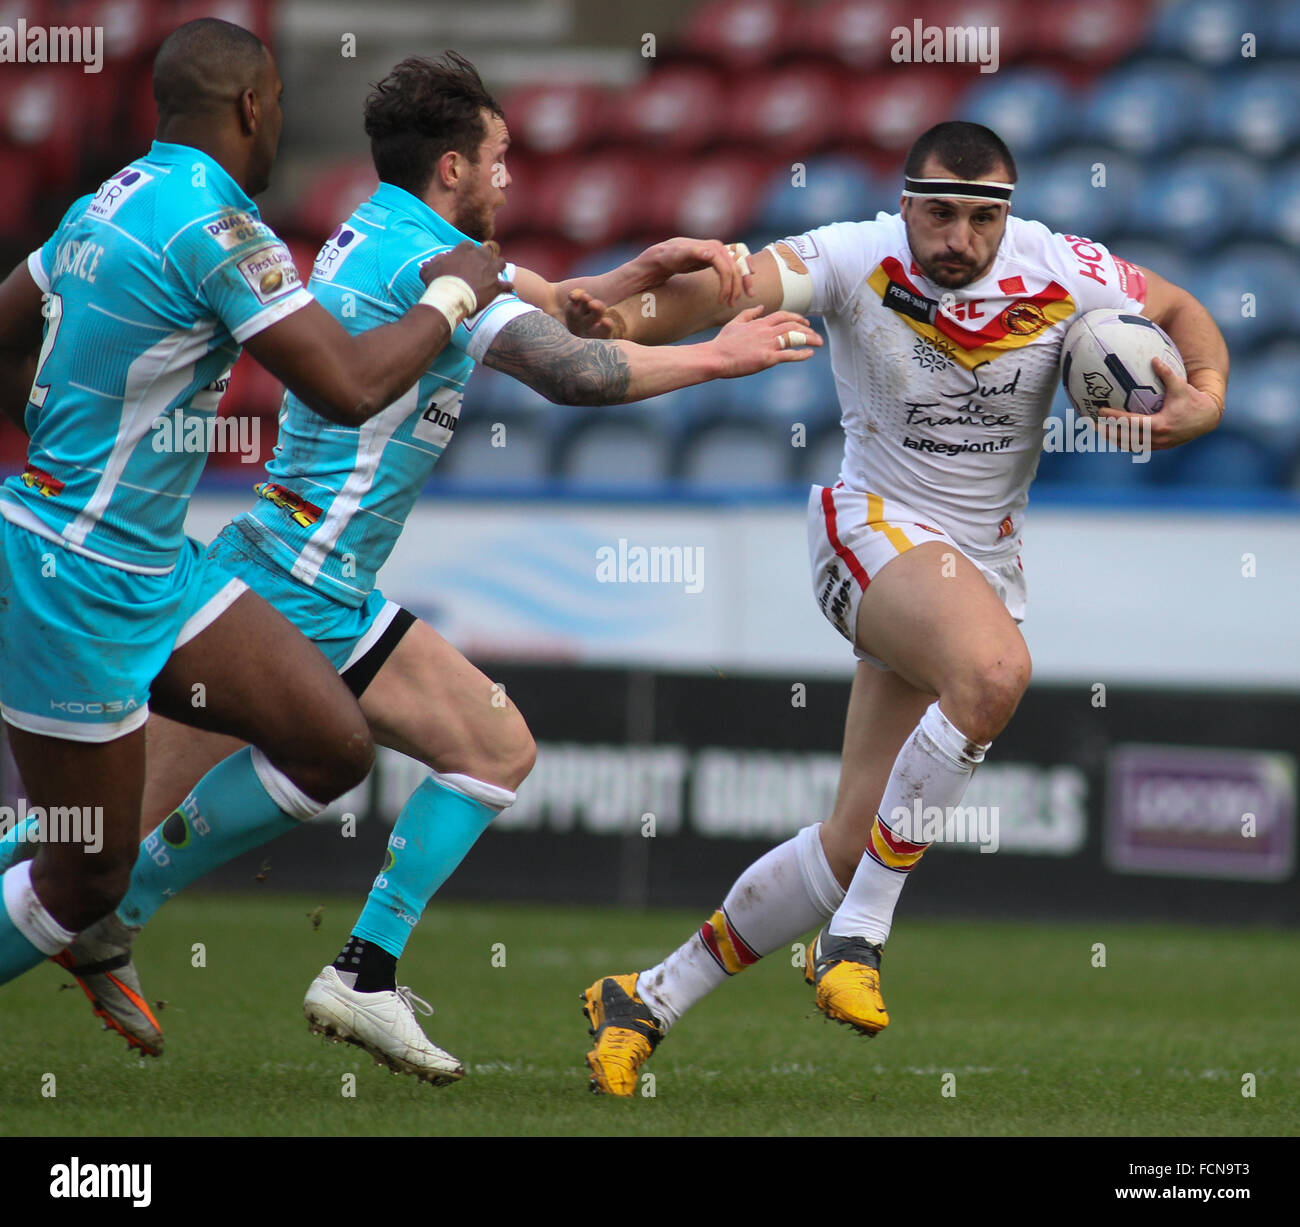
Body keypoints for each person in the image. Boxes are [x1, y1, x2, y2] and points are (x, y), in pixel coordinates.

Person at [4, 52, 821, 1081]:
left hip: (313, 575)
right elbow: (569, 372)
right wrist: (719, 358)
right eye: (500, 160)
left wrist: (630, 275)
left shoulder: (388, 229)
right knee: (72, 838)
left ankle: (357, 971)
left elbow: (556, 307)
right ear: (450, 168)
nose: (512, 180)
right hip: (290, 580)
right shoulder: (426, 267)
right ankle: (155, 919)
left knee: (489, 749)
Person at [569, 120, 1230, 1095]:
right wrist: (624, 324)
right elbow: (732, 287)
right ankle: (859, 941)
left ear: (1006, 214)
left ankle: (645, 998)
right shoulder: (853, 255)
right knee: (996, 671)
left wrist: (1204, 396)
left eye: (979, 217)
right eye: (938, 213)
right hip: (865, 528)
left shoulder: (1061, 267)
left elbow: (1177, 305)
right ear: (905, 200)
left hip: (974, 571)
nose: (957, 237)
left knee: (851, 841)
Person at [0, 19, 513, 999]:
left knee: (330, 744)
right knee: (78, 873)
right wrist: (447, 298)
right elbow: (351, 389)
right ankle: (101, 908)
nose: (279, 120)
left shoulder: (106, 200)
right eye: (276, 103)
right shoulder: (220, 228)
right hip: (78, 573)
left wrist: (59, 418)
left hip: (156, 566)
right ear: (249, 107)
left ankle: (118, 901)